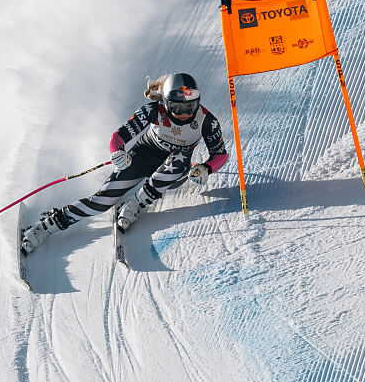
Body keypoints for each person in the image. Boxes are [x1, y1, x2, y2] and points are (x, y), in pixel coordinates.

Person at [21, 72, 229, 254]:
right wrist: (117, 152)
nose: (184, 113)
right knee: (103, 201)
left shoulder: (206, 121)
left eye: (190, 106)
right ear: (165, 102)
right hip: (145, 153)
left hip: (176, 166)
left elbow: (220, 155)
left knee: (178, 161)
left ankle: (136, 203)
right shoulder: (153, 111)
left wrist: (206, 168)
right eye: (177, 107)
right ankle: (46, 226)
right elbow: (118, 137)